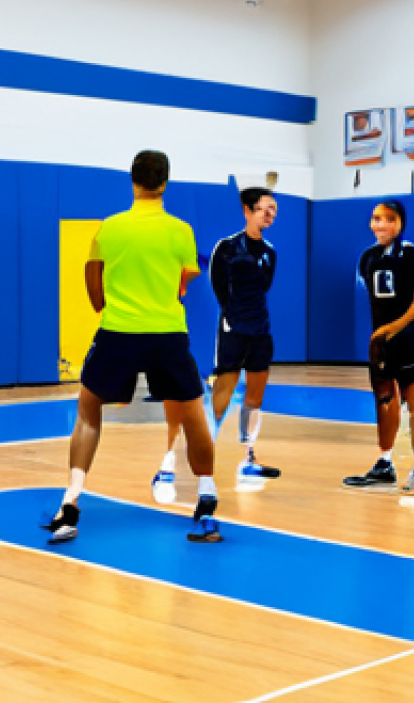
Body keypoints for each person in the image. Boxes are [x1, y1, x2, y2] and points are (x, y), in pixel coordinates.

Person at [44, 150, 221, 544]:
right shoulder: (181, 231)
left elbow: (93, 282)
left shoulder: (109, 229)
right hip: (167, 334)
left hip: (117, 332)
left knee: (88, 411)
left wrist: (113, 312)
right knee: (194, 415)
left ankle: (70, 504)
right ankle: (207, 501)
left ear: (132, 180)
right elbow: (184, 279)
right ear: (165, 181)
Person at [151, 187, 280, 503]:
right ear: (247, 210)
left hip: (261, 331)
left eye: (274, 209)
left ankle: (248, 458)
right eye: (265, 208)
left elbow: (265, 287)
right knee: (222, 394)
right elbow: (219, 287)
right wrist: (232, 318)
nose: (270, 214)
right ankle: (200, 457)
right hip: (234, 329)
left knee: (255, 396)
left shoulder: (270, 252)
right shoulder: (226, 248)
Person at [344, 200, 414, 493]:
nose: (380, 225)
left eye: (388, 219)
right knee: (384, 400)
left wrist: (392, 329)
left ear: (399, 223)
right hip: (380, 345)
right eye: (376, 219)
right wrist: (380, 336)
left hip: (407, 341)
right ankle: (385, 463)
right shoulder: (367, 258)